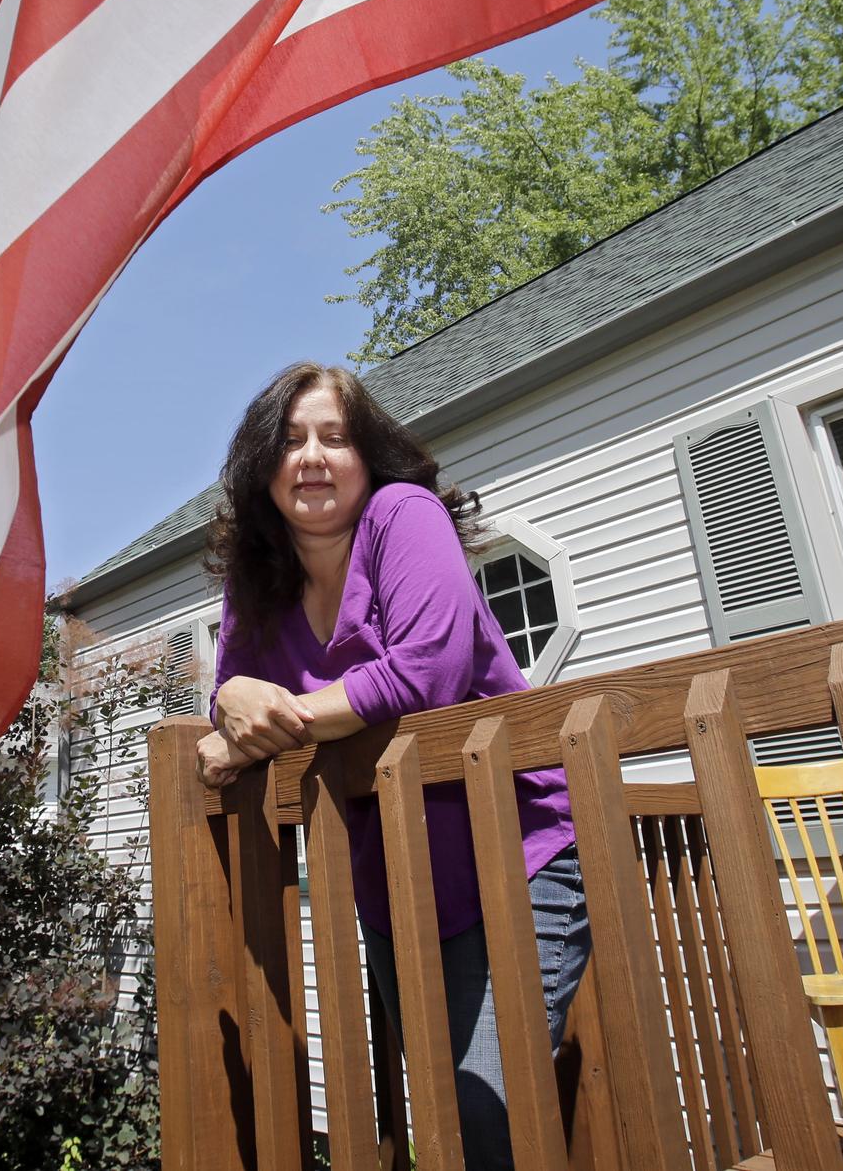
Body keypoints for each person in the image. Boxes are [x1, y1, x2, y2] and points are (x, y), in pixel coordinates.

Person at [195, 362, 589, 1171]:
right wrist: (230, 696)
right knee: (441, 1107)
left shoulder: (401, 516)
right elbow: (228, 697)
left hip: (518, 854)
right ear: (260, 465)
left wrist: (275, 723)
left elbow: (426, 671)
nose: (312, 457)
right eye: (290, 439)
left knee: (488, 1111)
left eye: (334, 438)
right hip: (392, 882)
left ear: (366, 455)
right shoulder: (256, 578)